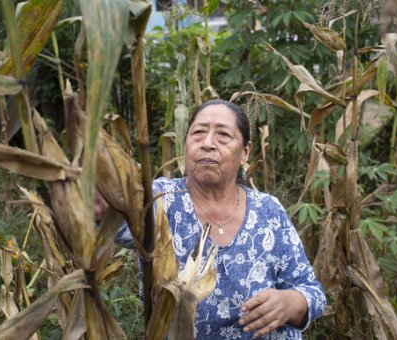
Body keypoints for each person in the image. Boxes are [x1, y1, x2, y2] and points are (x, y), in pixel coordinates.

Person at [117, 99, 326, 339]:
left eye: (223, 135)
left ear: (244, 152)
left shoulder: (268, 210)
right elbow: (116, 220)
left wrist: (291, 302)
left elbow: (313, 291)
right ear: (185, 145)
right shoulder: (162, 200)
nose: (207, 144)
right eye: (198, 133)